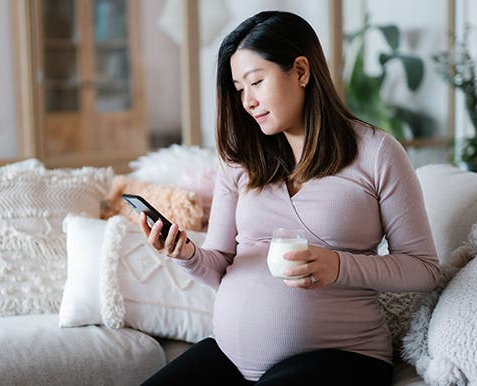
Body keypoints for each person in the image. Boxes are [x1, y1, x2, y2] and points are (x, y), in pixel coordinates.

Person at [138, 10, 440, 386]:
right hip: (230, 356)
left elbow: (424, 269)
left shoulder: (377, 153)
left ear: (300, 71)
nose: (247, 101)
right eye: (239, 89)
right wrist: (186, 255)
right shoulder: (241, 160)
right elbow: (218, 266)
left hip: (342, 357)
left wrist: (338, 267)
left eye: (256, 82)